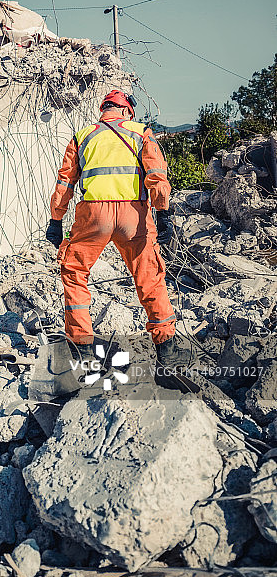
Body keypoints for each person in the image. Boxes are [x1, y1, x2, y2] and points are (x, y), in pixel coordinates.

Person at [45, 89, 193, 380]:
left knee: (75, 273)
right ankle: (167, 349)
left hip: (93, 216)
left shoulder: (82, 136)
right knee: (149, 276)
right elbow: (157, 176)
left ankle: (83, 349)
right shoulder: (142, 133)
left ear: (104, 110)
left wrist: (56, 220)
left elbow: (65, 183)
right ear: (126, 111)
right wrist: (162, 214)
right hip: (133, 216)